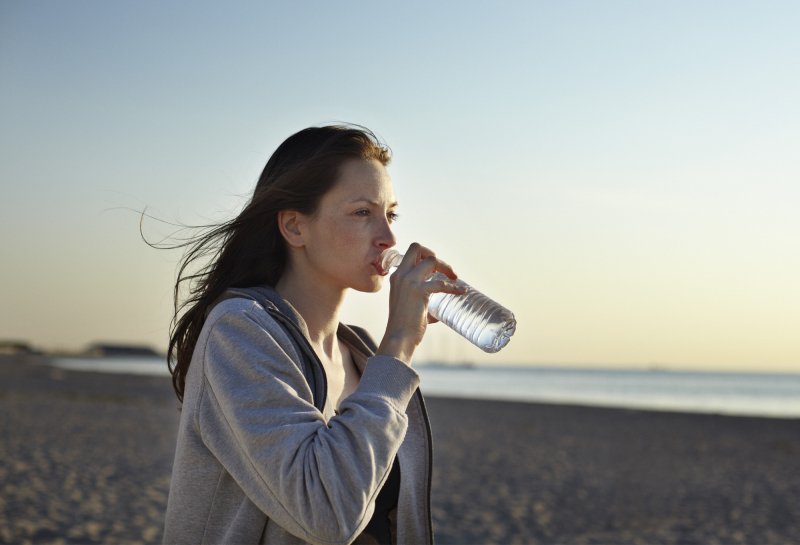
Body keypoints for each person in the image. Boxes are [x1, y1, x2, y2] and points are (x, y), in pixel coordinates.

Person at [162, 124, 464, 545]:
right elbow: (327, 512)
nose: (389, 237)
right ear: (294, 227)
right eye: (362, 213)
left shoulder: (357, 353)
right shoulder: (239, 331)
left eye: (390, 214)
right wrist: (398, 343)